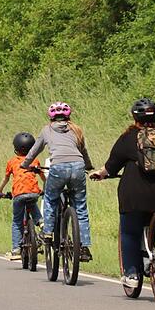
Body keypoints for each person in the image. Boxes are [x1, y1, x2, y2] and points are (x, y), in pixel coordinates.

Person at [90, 98, 155, 287]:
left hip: (138, 194)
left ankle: (132, 274)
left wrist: (100, 174)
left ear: (134, 117)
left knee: (129, 231)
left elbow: (112, 166)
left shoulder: (129, 137)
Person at [21, 102, 94, 262]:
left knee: (50, 198)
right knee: (80, 206)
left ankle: (47, 232)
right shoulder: (76, 129)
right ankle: (84, 247)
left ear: (51, 117)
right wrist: (88, 166)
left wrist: (25, 164)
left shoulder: (47, 130)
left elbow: (35, 150)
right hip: (78, 166)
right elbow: (83, 151)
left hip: (58, 166)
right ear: (68, 116)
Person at [0, 132, 46, 260]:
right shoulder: (35, 160)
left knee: (17, 222)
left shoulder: (12, 161)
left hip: (18, 194)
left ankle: (16, 250)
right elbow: (43, 177)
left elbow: (6, 179)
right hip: (33, 192)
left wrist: (0, 191)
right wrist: (46, 187)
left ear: (16, 148)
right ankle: (41, 223)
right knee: (32, 203)